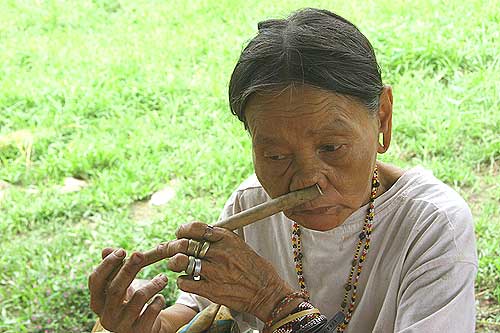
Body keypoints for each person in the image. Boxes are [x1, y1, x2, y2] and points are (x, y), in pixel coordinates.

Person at [88, 8, 477, 333]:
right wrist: (151, 325)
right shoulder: (251, 203)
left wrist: (274, 302)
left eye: (331, 148)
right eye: (275, 156)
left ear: (383, 119)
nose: (307, 179)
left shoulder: (431, 225)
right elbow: (199, 309)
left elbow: (262, 302)